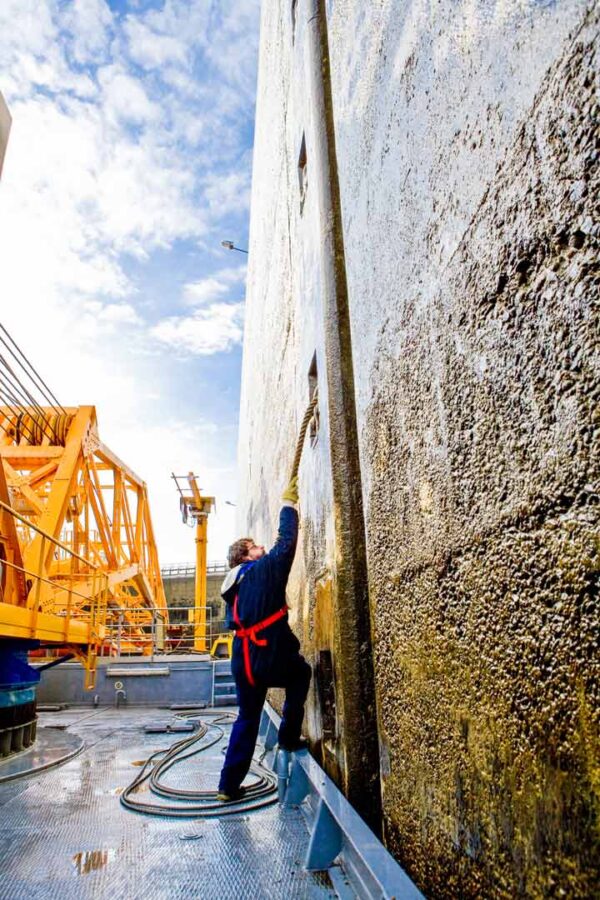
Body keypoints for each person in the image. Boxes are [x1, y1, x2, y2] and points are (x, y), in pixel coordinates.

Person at [217, 475, 312, 802]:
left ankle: (228, 787)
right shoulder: (263, 570)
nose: (261, 547)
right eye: (254, 545)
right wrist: (288, 504)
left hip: (241, 660)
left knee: (247, 716)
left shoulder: (233, 587)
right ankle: (288, 738)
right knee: (300, 673)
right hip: (266, 655)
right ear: (246, 555)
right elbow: (286, 542)